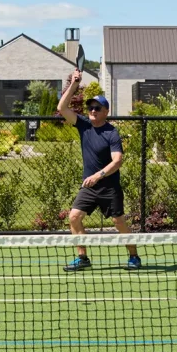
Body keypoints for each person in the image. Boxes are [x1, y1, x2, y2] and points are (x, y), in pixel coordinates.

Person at [56, 70, 140, 272]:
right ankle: (83, 258)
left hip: (109, 186)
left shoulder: (112, 133)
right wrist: (74, 84)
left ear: (106, 112)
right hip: (89, 187)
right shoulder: (83, 125)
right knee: (74, 217)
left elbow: (117, 161)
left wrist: (98, 175)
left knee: (118, 222)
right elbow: (62, 107)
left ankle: (134, 256)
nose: (92, 111)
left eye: (97, 108)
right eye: (90, 108)